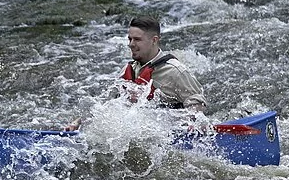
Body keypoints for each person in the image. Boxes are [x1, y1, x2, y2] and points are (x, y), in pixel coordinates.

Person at [65, 15, 206, 131]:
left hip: (167, 134)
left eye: (137, 39)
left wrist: (192, 122)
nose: (131, 44)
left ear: (154, 40)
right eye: (130, 39)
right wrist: (78, 123)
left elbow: (197, 102)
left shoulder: (175, 71)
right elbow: (106, 106)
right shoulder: (128, 71)